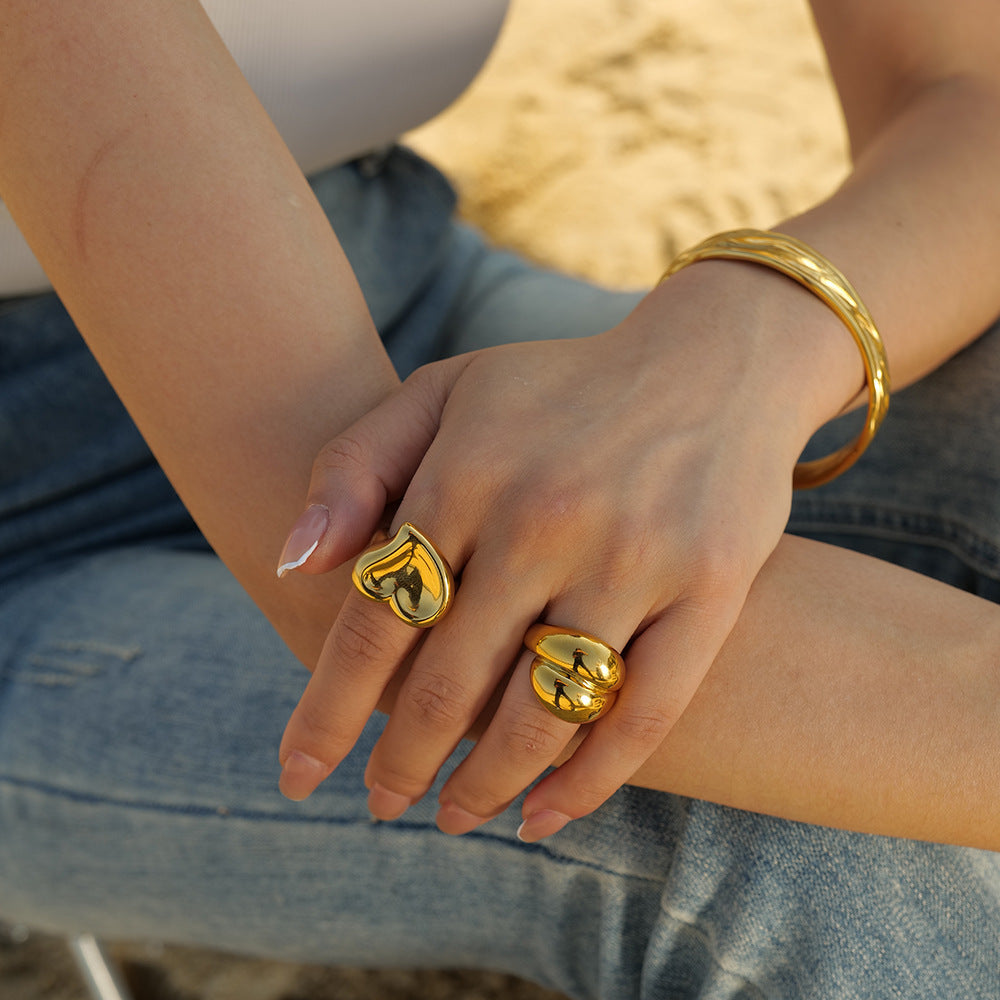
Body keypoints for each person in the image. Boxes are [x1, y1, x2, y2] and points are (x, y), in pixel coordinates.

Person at [0, 1, 998, 997]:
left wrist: (745, 340)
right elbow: (339, 551)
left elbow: (966, 87)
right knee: (796, 856)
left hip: (395, 289)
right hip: (32, 530)